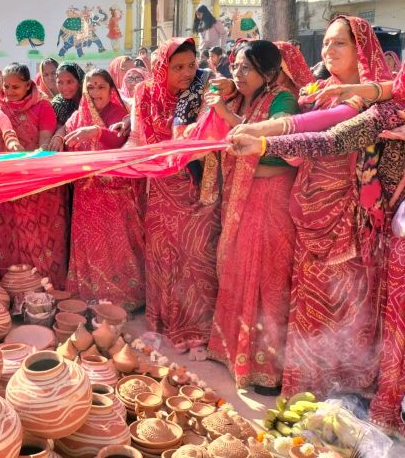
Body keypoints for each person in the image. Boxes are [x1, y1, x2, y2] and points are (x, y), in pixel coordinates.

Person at [230, 15, 392, 397]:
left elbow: (328, 132)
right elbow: (305, 117)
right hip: (308, 210)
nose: (328, 50)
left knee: (342, 302)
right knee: (306, 301)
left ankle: (341, 393)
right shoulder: (320, 89)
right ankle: (304, 387)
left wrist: (263, 136)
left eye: (340, 44)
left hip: (346, 219)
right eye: (326, 42)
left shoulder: (367, 101)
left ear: (362, 51)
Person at [203, 40, 299, 393]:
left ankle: (267, 369)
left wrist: (230, 117)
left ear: (269, 72)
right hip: (245, 199)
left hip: (271, 200)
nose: (238, 74)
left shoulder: (283, 99)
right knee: (241, 271)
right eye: (237, 67)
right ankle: (234, 352)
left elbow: (282, 146)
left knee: (267, 279)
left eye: (246, 68)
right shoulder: (248, 97)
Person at [125, 37, 220, 359]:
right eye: (177, 67)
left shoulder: (204, 92)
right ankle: (164, 322)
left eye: (191, 65)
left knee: (195, 260)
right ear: (161, 68)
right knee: (163, 258)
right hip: (162, 192)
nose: (186, 73)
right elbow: (137, 139)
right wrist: (111, 163)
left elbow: (209, 138)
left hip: (197, 191)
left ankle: (197, 331)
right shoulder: (146, 94)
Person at [62, 69, 145, 310]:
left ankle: (124, 299)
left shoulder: (121, 114)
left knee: (118, 245)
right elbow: (67, 138)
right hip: (87, 194)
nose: (95, 92)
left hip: (115, 195)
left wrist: (96, 132)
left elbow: (119, 141)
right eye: (90, 87)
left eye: (100, 86)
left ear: (111, 90)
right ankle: (92, 296)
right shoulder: (79, 116)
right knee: (91, 244)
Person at [0, 63, 68, 287]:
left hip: (38, 181)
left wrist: (34, 158)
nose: (10, 91)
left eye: (16, 86)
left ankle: (46, 285)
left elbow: (45, 140)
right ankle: (16, 286)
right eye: (6, 86)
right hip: (9, 181)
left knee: (42, 235)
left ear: (28, 85)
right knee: (13, 232)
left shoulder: (42, 105)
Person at [48, 62, 85, 145]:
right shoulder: (57, 104)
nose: (65, 87)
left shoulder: (90, 101)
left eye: (70, 82)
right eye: (60, 82)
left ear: (79, 81)